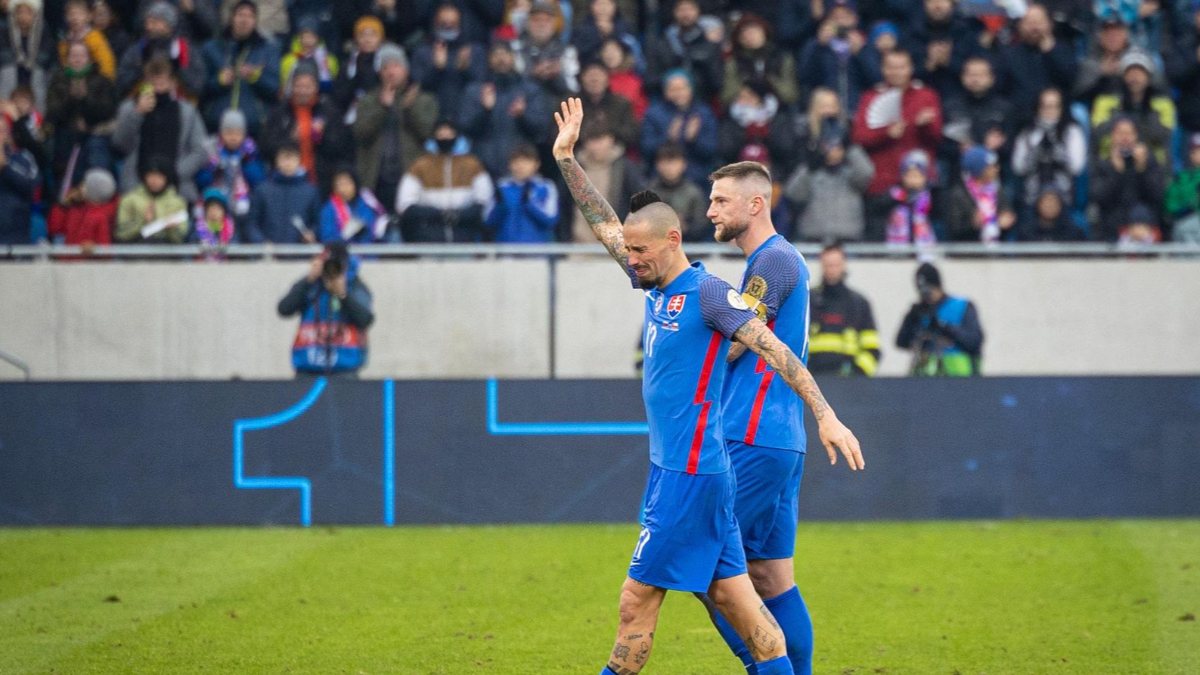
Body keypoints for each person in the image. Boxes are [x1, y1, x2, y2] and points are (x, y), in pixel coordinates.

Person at [551, 97, 863, 675]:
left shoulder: (732, 284)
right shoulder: (662, 282)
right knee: (758, 581)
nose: (711, 208)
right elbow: (609, 229)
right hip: (725, 448)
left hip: (733, 444)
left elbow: (761, 343)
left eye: (720, 200)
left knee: (655, 596)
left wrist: (826, 414)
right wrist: (568, 160)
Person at [703, 161, 867, 674]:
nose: (710, 211)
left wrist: (690, 340)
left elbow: (740, 340)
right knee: (771, 578)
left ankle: (767, 669)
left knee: (705, 562)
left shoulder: (771, 261)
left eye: (721, 201)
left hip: (751, 435)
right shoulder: (779, 259)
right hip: (781, 439)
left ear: (756, 204)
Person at [852, 49, 942, 240]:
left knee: (922, 240)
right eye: (891, 67)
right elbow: (859, 137)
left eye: (901, 67)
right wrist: (885, 133)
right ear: (883, 69)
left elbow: (937, 137)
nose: (896, 72)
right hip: (882, 186)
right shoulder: (870, 97)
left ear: (910, 69)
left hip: (919, 184)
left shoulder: (926, 96)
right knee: (879, 242)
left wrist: (924, 126)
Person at [351, 44, 437, 214]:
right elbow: (360, 133)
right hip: (376, 179)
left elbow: (427, 134)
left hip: (412, 177)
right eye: (385, 68)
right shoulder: (368, 100)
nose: (391, 72)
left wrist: (409, 109)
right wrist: (382, 108)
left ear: (406, 70)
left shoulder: (423, 99)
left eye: (396, 66)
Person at [111, 56, 209, 201]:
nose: (158, 87)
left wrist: (175, 173)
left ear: (172, 83)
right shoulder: (129, 108)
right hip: (137, 188)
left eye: (162, 82)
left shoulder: (187, 112)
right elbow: (120, 144)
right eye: (153, 82)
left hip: (177, 188)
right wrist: (137, 113)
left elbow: (201, 151)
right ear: (145, 82)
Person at [785, 88, 874, 242]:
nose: (829, 111)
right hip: (812, 237)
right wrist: (812, 164)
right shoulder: (802, 141)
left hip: (849, 236)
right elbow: (794, 194)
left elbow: (866, 175)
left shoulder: (850, 146)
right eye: (824, 106)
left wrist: (849, 147)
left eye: (833, 106)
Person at [277, 242, 374, 377]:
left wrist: (343, 294)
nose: (332, 270)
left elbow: (365, 320)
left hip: (345, 369)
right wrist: (308, 280)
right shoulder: (311, 285)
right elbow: (284, 309)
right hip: (307, 366)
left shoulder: (355, 286)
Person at [396, 119, 494, 242]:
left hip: (465, 236)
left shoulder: (473, 165)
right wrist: (437, 214)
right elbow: (405, 204)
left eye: (449, 133)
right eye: (441, 134)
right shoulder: (419, 166)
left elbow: (485, 201)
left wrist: (460, 215)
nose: (445, 137)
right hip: (429, 236)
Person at [199, 0, 281, 135]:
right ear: (232, 18)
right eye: (240, 15)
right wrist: (219, 81)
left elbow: (275, 89)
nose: (244, 20)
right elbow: (199, 87)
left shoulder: (268, 49)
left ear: (255, 21)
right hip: (216, 125)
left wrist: (256, 77)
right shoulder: (211, 48)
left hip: (255, 127)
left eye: (250, 16)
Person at [896, 262, 984, 377]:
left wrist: (943, 327)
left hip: (960, 378)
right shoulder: (920, 312)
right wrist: (911, 319)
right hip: (926, 379)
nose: (927, 296)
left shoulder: (962, 307)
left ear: (938, 286)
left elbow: (974, 341)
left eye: (930, 290)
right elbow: (901, 342)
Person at [807, 242, 880, 376]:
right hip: (811, 379)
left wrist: (857, 375)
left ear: (844, 265)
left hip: (849, 381)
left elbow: (872, 349)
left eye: (836, 264)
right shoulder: (808, 300)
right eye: (828, 265)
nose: (832, 269)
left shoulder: (859, 303)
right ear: (821, 265)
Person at [640, 70, 717, 186]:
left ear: (691, 89)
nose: (678, 93)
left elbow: (711, 150)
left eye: (682, 88)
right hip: (661, 177)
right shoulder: (653, 114)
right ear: (665, 91)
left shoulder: (703, 113)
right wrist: (668, 138)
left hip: (696, 177)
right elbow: (647, 149)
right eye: (673, 89)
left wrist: (693, 139)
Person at [194, 109, 266, 225]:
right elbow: (201, 183)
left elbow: (258, 181)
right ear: (221, 133)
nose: (233, 137)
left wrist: (247, 163)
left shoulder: (250, 151)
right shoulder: (210, 149)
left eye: (238, 133)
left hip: (242, 209)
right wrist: (211, 168)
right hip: (215, 207)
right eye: (229, 133)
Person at [245, 141, 320, 243]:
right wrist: (261, 242)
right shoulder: (262, 190)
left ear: (299, 160)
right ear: (277, 161)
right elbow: (252, 224)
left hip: (300, 250)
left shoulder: (311, 192)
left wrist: (312, 233)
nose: (288, 163)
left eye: (292, 158)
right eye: (284, 158)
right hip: (268, 251)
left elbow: (317, 222)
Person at [484, 143, 558, 242]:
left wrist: (529, 204)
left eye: (526, 161)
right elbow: (488, 221)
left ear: (537, 164)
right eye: (516, 162)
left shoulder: (545, 187)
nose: (520, 166)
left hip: (537, 249)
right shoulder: (501, 187)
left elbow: (551, 220)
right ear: (509, 164)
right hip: (505, 248)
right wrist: (500, 206)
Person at [114, 157, 189, 242]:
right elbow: (121, 234)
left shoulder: (178, 202)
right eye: (151, 176)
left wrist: (172, 229)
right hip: (136, 246)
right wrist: (142, 222)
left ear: (167, 178)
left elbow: (181, 237)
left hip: (166, 247)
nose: (154, 181)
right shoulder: (129, 200)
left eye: (159, 177)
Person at [646, 142, 708, 241]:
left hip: (688, 246)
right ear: (657, 165)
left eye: (674, 162)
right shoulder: (648, 192)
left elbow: (701, 225)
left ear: (683, 164)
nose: (669, 167)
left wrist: (685, 227)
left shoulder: (693, 192)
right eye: (665, 162)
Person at [47, 166, 117, 251]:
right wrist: (63, 205)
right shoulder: (75, 210)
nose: (80, 187)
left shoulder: (101, 216)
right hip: (68, 257)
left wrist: (94, 248)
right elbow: (54, 228)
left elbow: (105, 249)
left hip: (86, 259)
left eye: (84, 184)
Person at [318, 169, 388, 243]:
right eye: (340, 184)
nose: (344, 188)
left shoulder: (366, 201)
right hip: (342, 249)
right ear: (334, 188)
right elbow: (327, 237)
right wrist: (345, 236)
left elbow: (374, 225)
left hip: (368, 247)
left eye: (347, 183)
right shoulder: (329, 209)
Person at [0, 114, 40, 244]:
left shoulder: (23, 158)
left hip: (16, 236)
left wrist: (6, 167)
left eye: (1, 131)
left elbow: (31, 187)